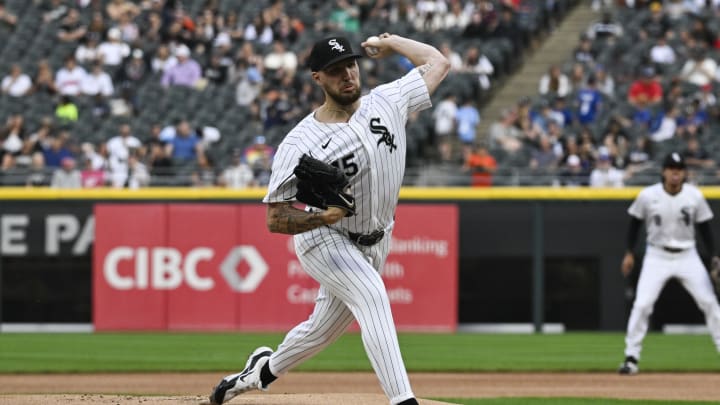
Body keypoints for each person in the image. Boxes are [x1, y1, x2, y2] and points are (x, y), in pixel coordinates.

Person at [204, 33, 449, 405]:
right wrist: (323, 216)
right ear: (318, 77)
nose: (347, 75)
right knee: (372, 296)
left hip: (378, 237)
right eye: (336, 70)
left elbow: (438, 63)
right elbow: (275, 217)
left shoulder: (386, 100)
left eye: (350, 65)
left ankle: (258, 373)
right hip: (326, 237)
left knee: (320, 332)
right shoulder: (299, 143)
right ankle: (404, 401)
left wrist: (392, 41)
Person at [618, 152, 720, 375]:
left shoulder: (694, 196)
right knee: (642, 304)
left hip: (687, 254)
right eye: (672, 168)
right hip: (657, 255)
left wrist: (714, 256)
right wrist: (629, 253)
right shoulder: (647, 195)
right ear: (664, 171)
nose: (675, 173)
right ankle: (631, 357)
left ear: (684, 173)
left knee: (709, 302)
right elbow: (634, 225)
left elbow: (705, 230)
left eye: (679, 169)